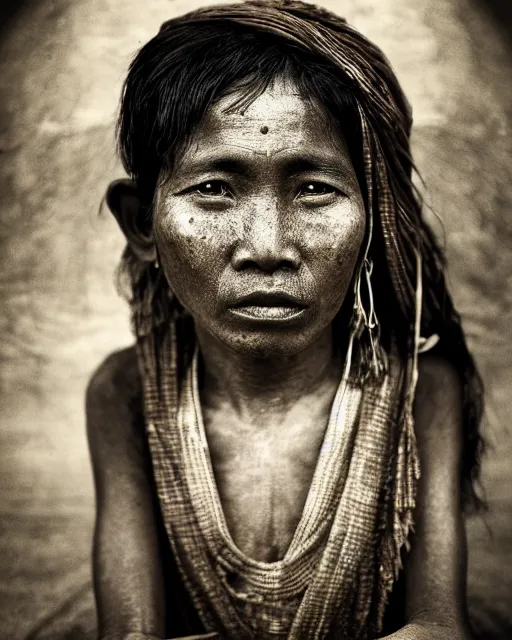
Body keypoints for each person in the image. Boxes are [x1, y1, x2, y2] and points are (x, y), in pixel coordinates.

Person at [85, 1, 484, 639]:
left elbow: (438, 629)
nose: (267, 247)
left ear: (374, 217)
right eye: (214, 187)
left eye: (315, 189)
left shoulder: (420, 387)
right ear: (141, 222)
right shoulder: (125, 392)